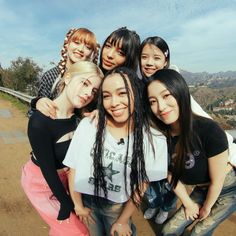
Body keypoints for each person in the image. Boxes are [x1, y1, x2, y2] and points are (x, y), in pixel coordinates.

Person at [63, 67, 168, 236]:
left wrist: (123, 220)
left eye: (122, 93)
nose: (113, 103)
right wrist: (78, 206)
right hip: (87, 202)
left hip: (117, 207)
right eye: (106, 96)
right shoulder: (89, 126)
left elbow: (142, 184)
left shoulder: (153, 139)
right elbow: (74, 167)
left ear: (136, 93)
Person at [146, 69, 236, 236]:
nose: (161, 107)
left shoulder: (209, 130)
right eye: (153, 101)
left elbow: (218, 181)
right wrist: (188, 203)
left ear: (180, 93)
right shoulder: (160, 138)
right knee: (168, 231)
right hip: (201, 189)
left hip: (227, 189)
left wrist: (206, 208)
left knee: (199, 232)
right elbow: (170, 175)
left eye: (166, 96)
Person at [21, 61, 104, 236]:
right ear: (67, 77)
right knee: (77, 232)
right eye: (84, 83)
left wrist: (99, 113)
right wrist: (67, 203)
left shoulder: (79, 118)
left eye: (94, 91)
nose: (88, 93)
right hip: (42, 184)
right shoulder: (40, 121)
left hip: (66, 179)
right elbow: (48, 171)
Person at [139, 36, 176, 224]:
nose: (149, 63)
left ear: (166, 60)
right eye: (144, 57)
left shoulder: (174, 85)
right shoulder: (138, 86)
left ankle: (166, 208)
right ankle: (153, 204)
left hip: (172, 146)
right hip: (149, 146)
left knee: (170, 183)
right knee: (151, 180)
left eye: (156, 57)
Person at [30, 27, 99, 118]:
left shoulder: (93, 81)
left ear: (91, 53)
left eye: (88, 47)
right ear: (67, 44)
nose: (81, 49)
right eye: (77, 43)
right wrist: (37, 102)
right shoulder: (51, 75)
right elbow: (34, 115)